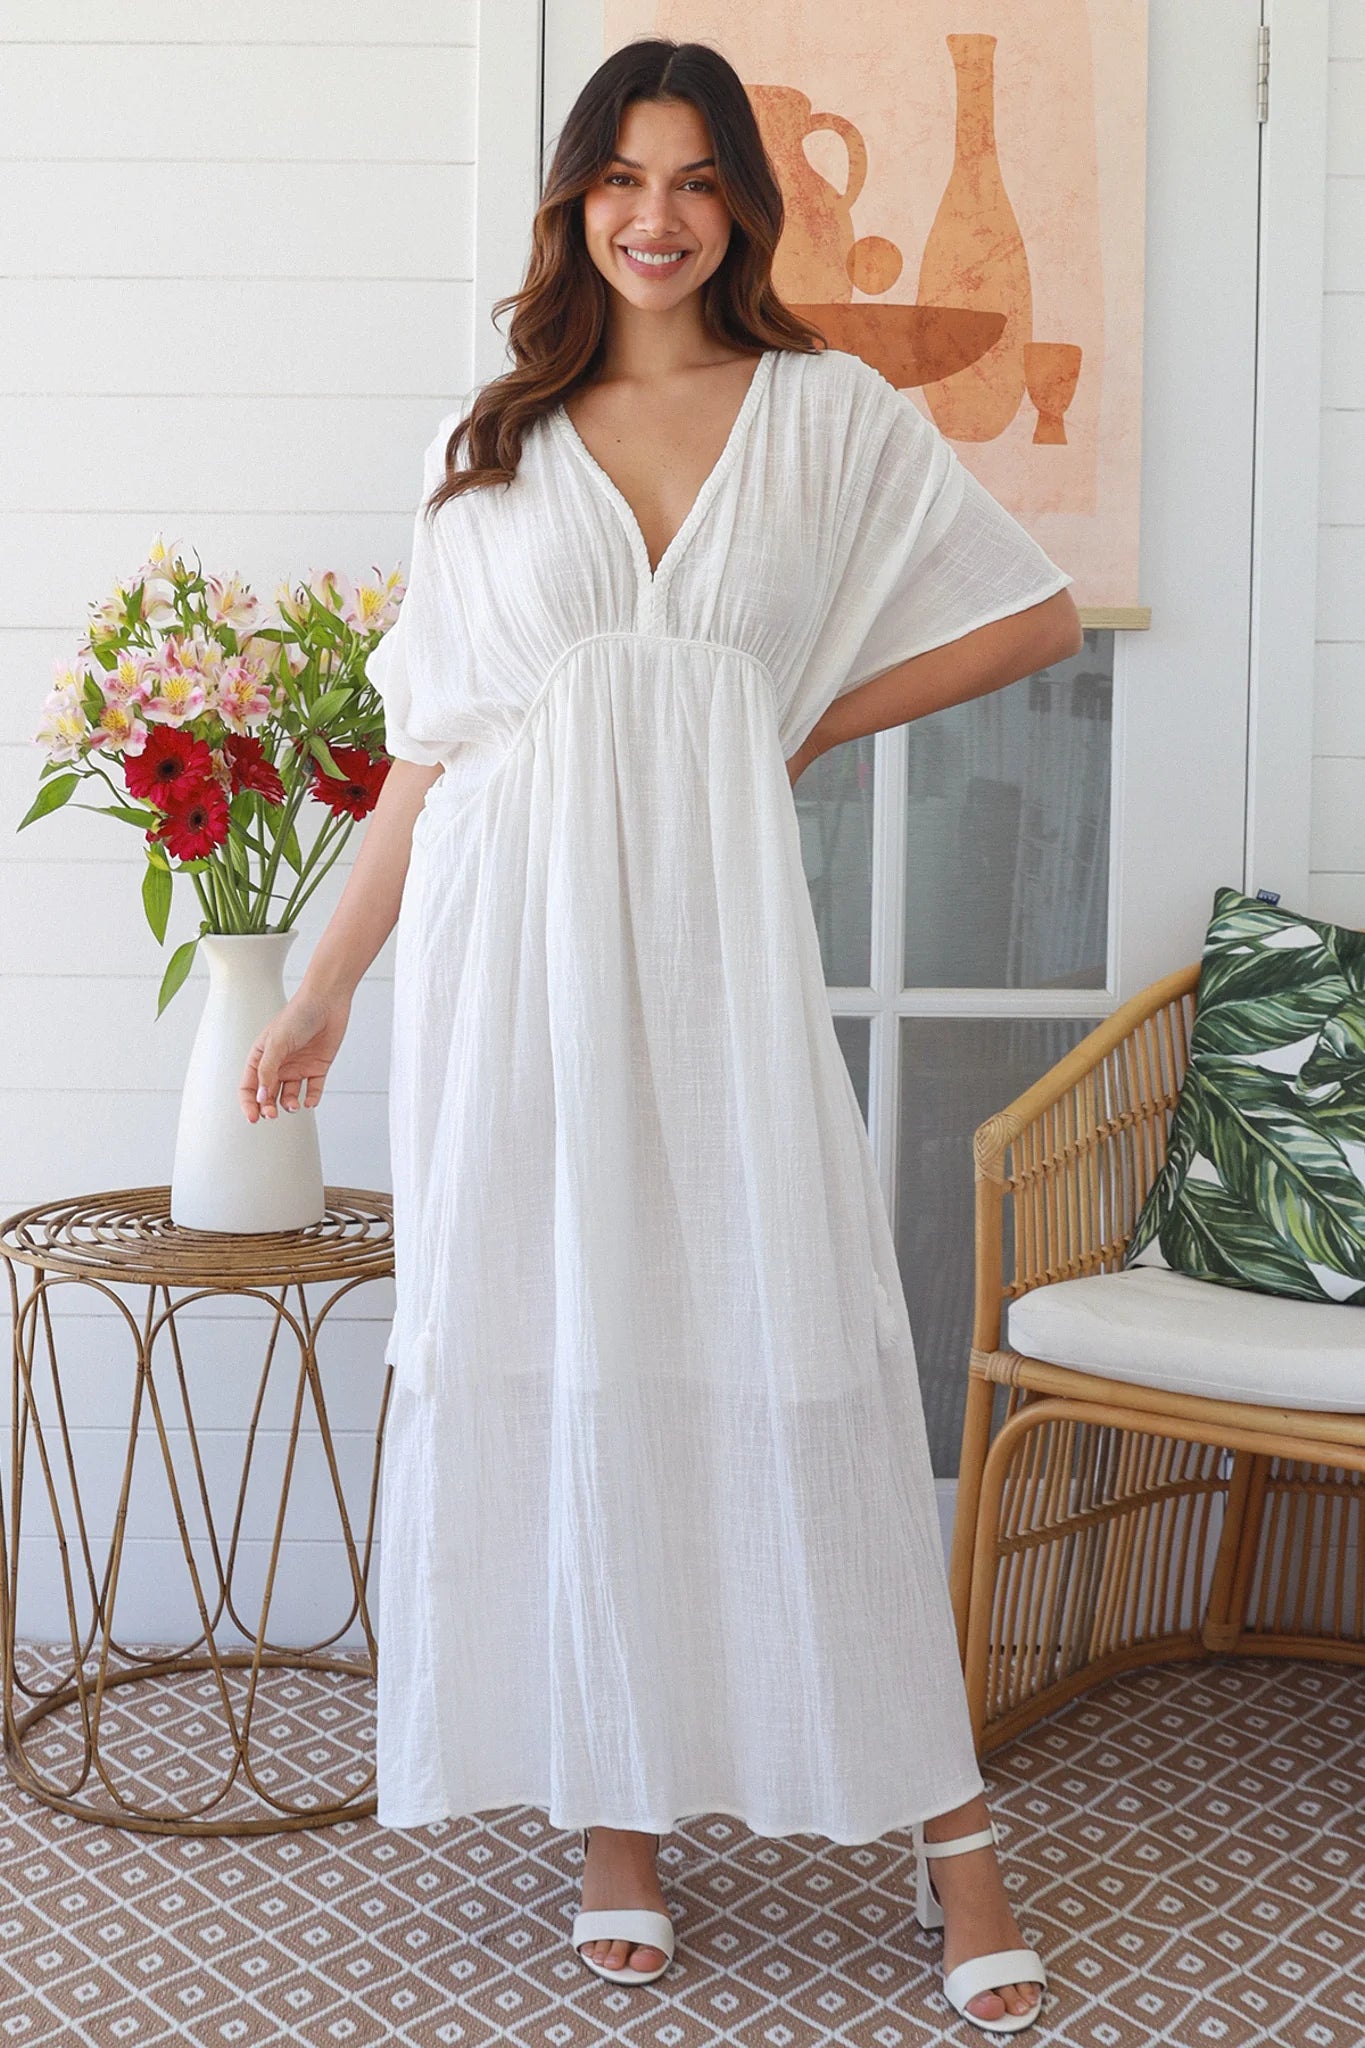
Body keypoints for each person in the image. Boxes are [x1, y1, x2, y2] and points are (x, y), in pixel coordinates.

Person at [240, 36, 1080, 2036]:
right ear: (573, 201)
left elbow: (1028, 616)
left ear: (743, 210)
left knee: (800, 1352)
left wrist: (790, 720)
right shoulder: (495, 442)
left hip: (715, 965)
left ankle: (954, 1841)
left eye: (697, 178)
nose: (657, 214)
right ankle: (614, 1822)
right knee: (568, 1356)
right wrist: (326, 981)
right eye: (621, 176)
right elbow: (432, 754)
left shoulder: (825, 415)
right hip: (508, 964)